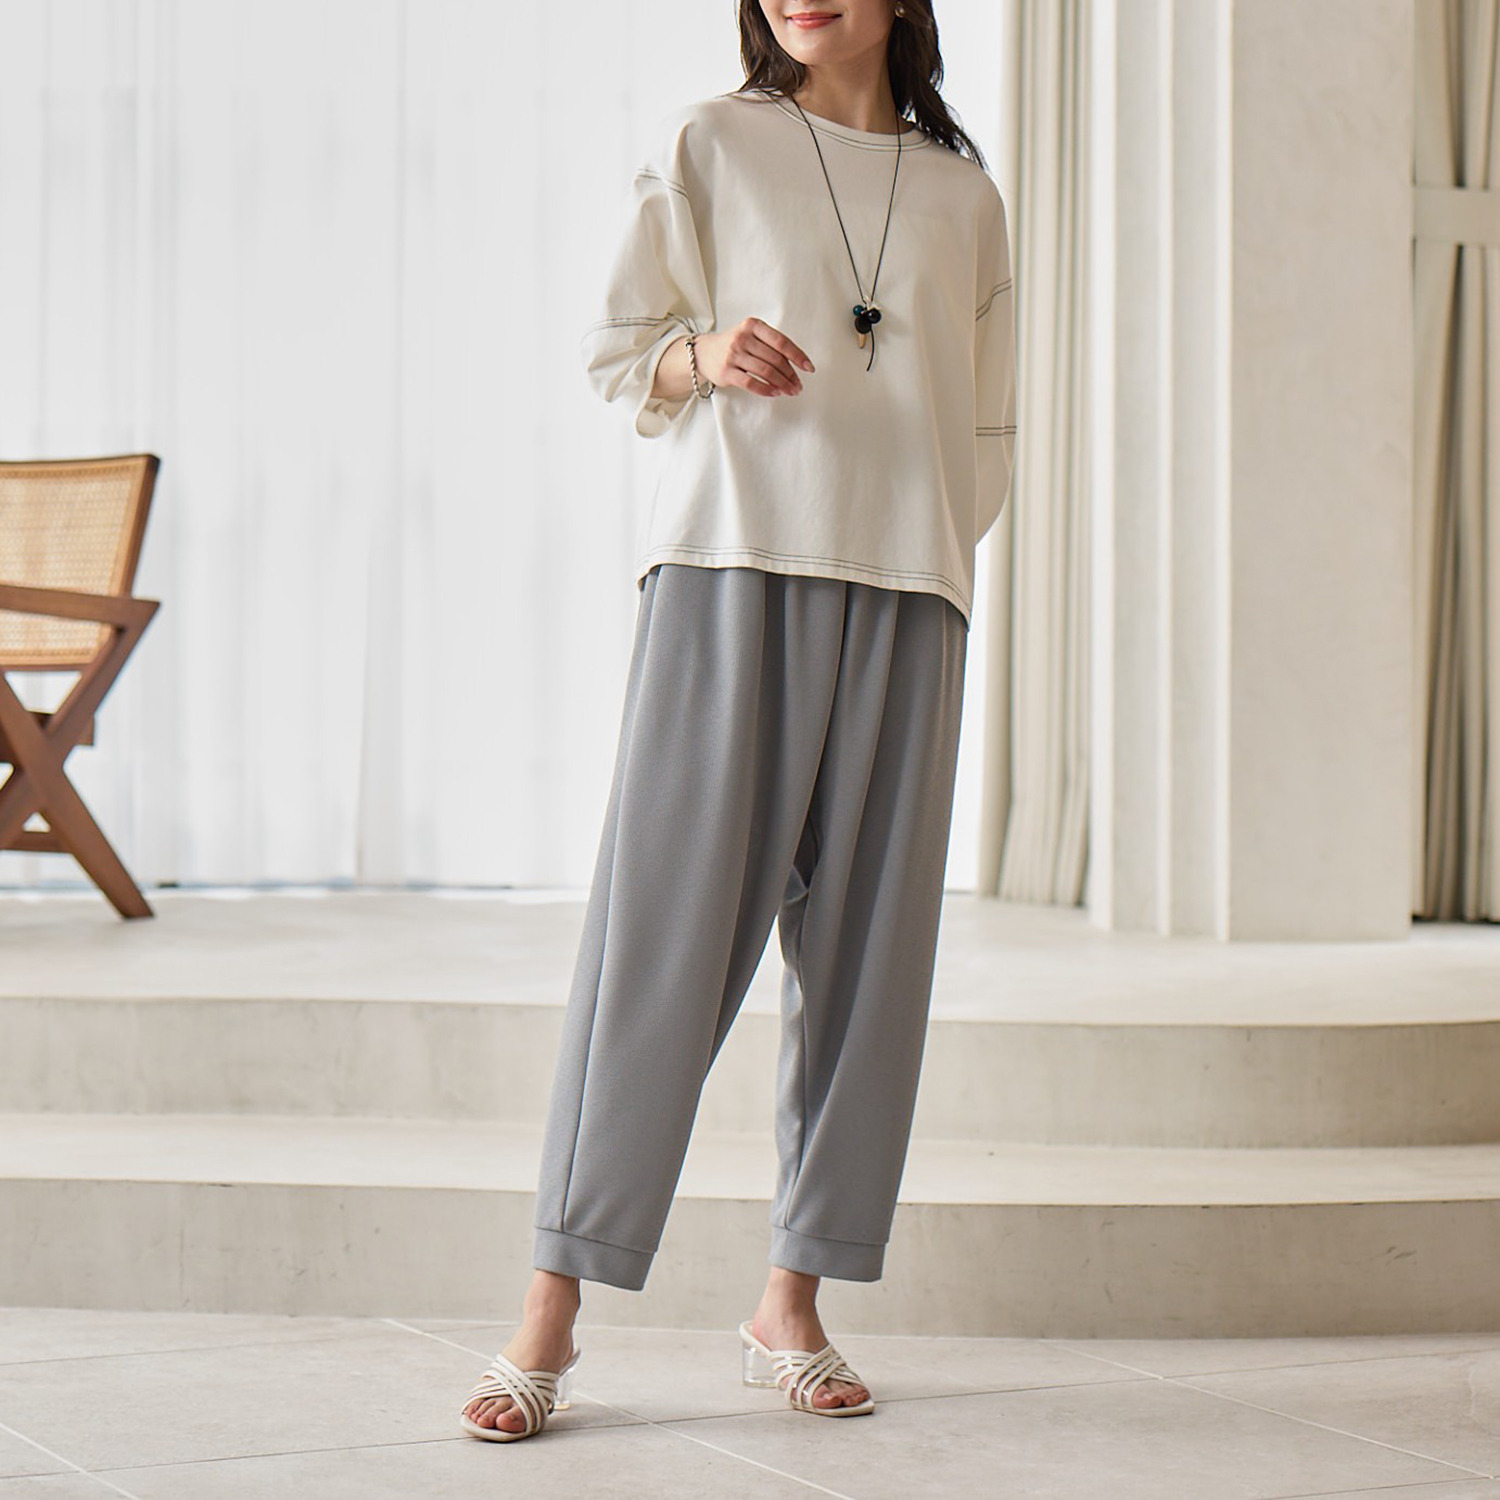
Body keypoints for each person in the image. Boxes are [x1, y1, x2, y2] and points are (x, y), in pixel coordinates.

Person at [460, 0, 1016, 1442]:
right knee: (657, 944)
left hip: (909, 593)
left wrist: (924, 544)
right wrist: (704, 356)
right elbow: (618, 350)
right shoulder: (713, 141)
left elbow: (989, 424)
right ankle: (550, 1311)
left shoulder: (963, 193)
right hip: (729, 568)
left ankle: (793, 1301)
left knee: (870, 967)